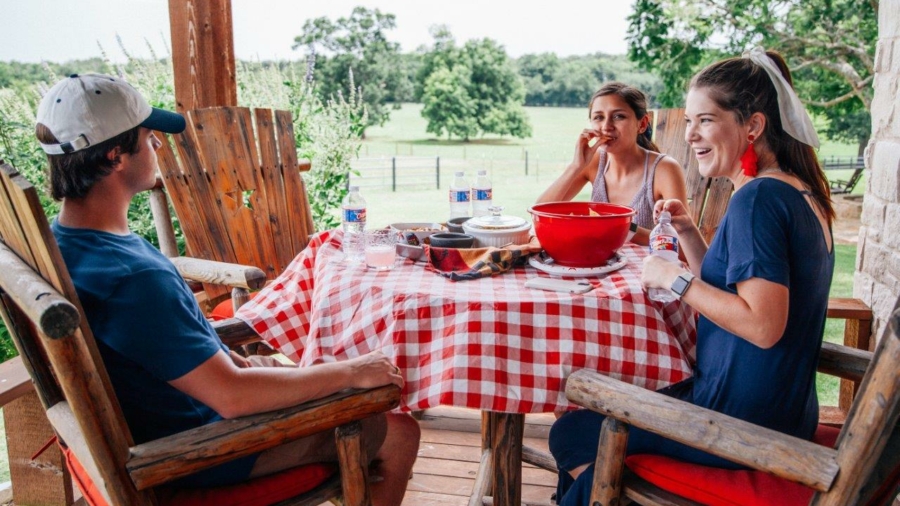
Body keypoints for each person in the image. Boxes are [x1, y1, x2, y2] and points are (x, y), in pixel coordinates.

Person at [35, 74, 419, 506]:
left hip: (161, 425)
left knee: (324, 382)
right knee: (396, 429)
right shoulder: (133, 278)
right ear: (115, 156)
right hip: (196, 451)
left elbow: (181, 354)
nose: (158, 146)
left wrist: (278, 372)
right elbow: (233, 396)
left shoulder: (65, 244)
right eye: (148, 137)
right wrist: (351, 372)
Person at [548, 48, 835, 505]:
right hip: (781, 411)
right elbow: (736, 294)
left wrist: (672, 279)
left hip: (739, 422)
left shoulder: (757, 200)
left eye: (705, 120)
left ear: (753, 126)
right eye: (689, 122)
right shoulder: (799, 193)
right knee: (588, 433)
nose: (692, 135)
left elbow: (763, 326)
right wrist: (688, 235)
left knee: (573, 432)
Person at [536, 82, 687, 245]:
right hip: (598, 260)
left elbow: (683, 245)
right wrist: (576, 166)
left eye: (618, 116)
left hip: (644, 267)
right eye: (599, 117)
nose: (606, 127)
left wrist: (623, 226)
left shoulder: (664, 169)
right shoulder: (594, 162)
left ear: (641, 124)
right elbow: (539, 213)